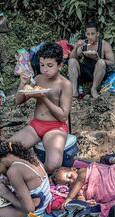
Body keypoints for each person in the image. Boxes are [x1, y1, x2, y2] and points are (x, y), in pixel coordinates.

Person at [11, 42, 73, 174]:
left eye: (50, 66)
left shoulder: (65, 84)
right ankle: (31, 166)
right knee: (10, 147)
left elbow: (63, 116)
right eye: (42, 65)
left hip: (56, 127)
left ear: (60, 65)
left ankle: (37, 175)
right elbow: (18, 101)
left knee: (53, 164)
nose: (45, 69)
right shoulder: (38, 79)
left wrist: (43, 97)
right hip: (36, 125)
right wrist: (22, 84)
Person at [68, 21, 115, 98]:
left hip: (99, 72)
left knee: (101, 62)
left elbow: (112, 63)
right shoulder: (84, 44)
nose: (90, 37)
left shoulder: (104, 45)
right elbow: (72, 59)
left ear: (97, 34)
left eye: (92, 34)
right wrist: (76, 46)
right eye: (88, 34)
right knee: (72, 61)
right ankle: (74, 91)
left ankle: (94, 89)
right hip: (87, 71)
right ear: (86, 34)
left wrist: (98, 58)